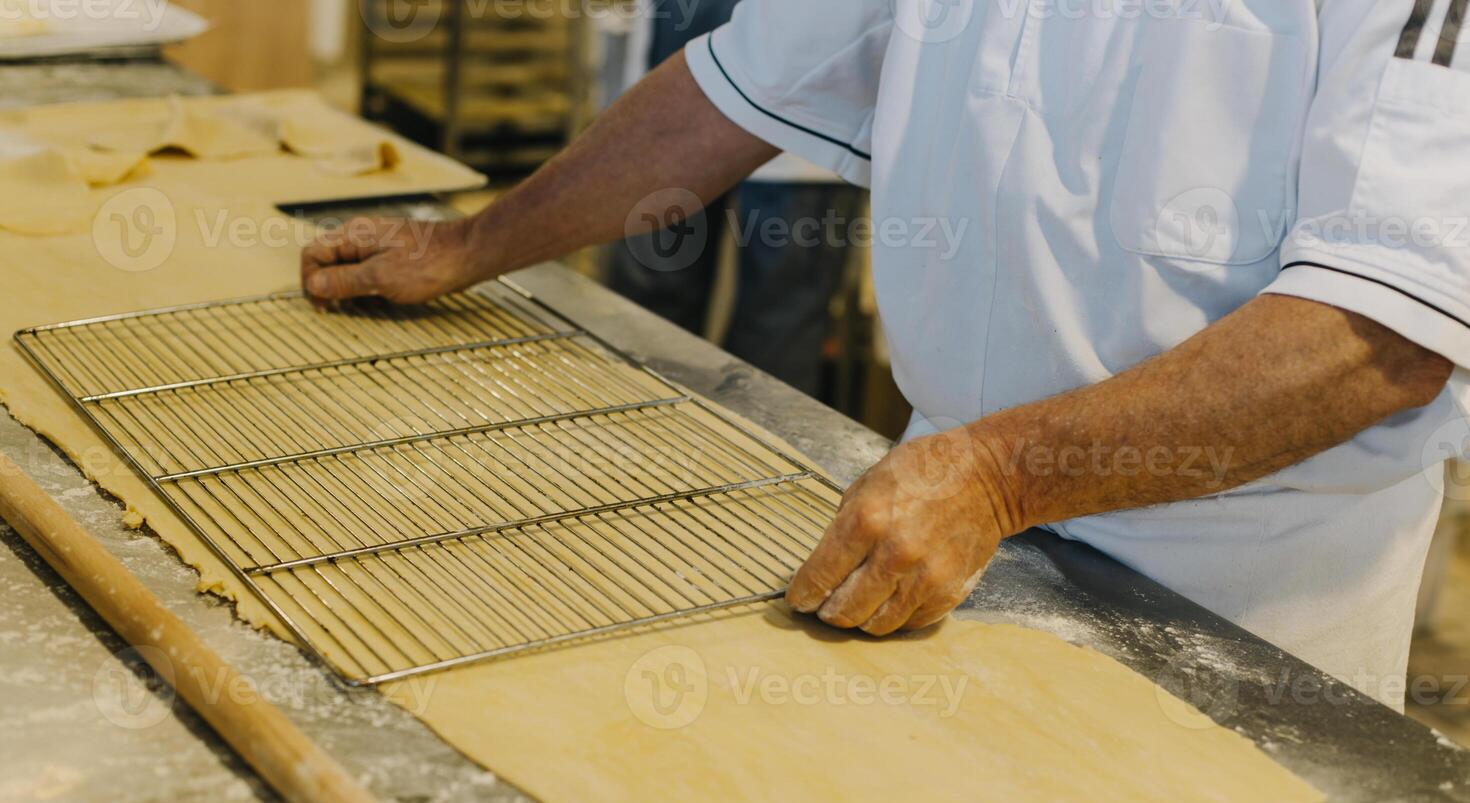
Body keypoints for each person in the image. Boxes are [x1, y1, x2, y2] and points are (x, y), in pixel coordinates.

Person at [303, 1, 1470, 709]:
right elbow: (740, 85)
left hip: (1242, 595)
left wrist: (1004, 475)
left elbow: (1377, 332)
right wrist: (470, 244)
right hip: (945, 529)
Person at [601, 0, 862, 397]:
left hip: (812, 124)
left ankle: (768, 459)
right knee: (647, 328)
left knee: (776, 344)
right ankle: (626, 448)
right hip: (673, 102)